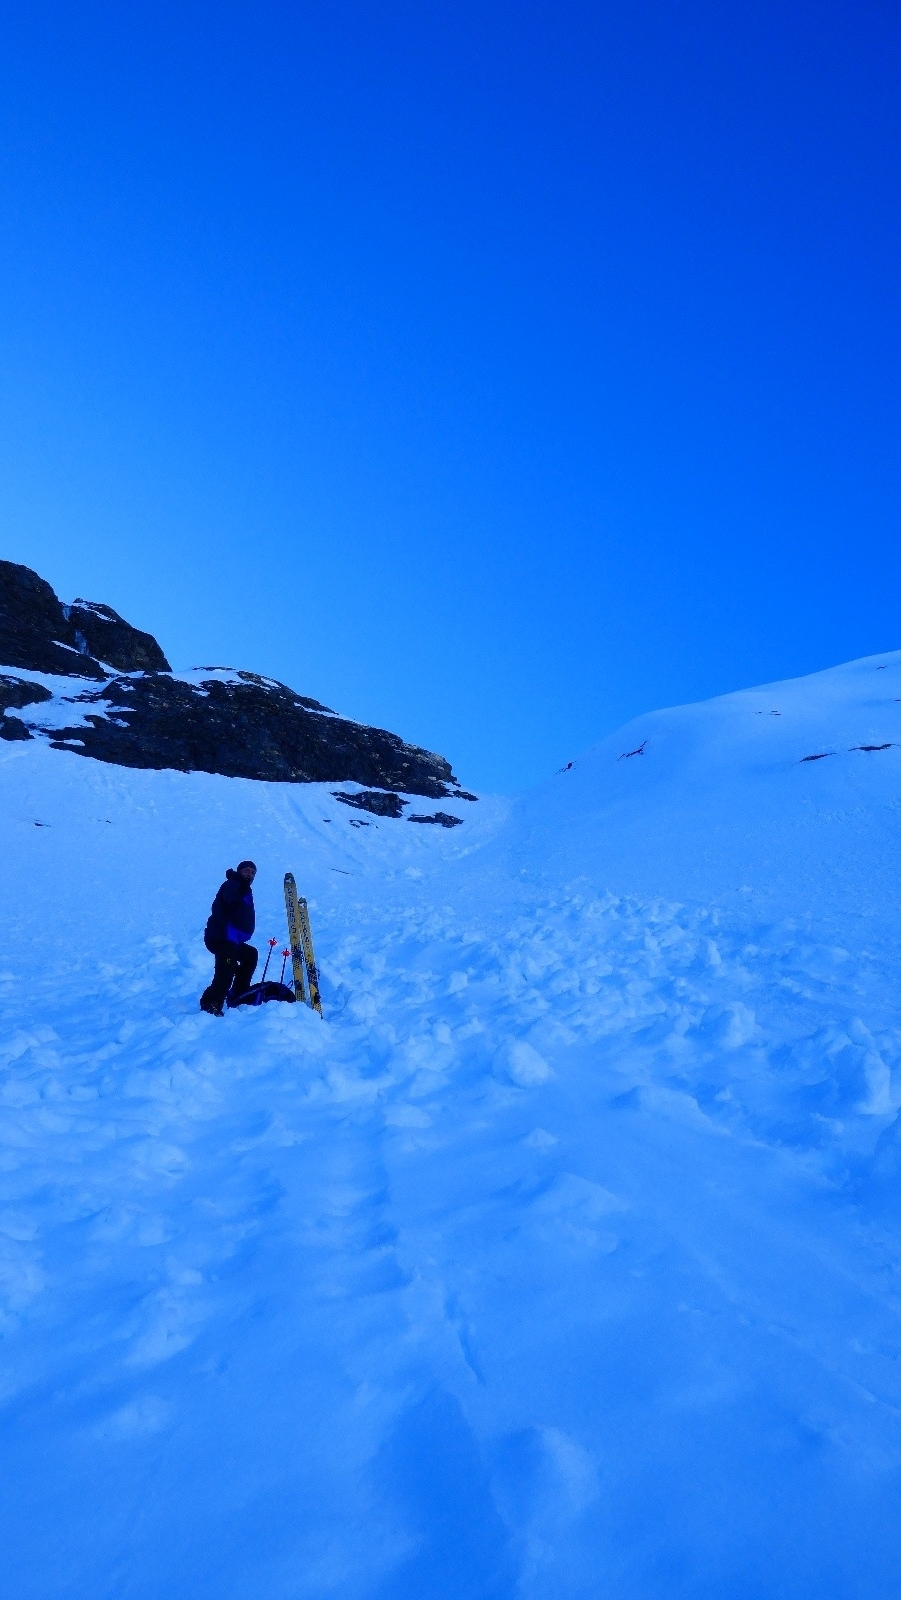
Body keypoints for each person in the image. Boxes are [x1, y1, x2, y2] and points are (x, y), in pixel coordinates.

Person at [199, 860, 258, 1016]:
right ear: (239, 871)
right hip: (221, 938)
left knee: (250, 955)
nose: (249, 874)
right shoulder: (232, 884)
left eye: (252, 872)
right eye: (246, 870)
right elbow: (229, 899)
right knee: (226, 969)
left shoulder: (244, 889)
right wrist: (241, 887)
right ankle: (210, 1003)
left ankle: (239, 992)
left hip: (232, 939)